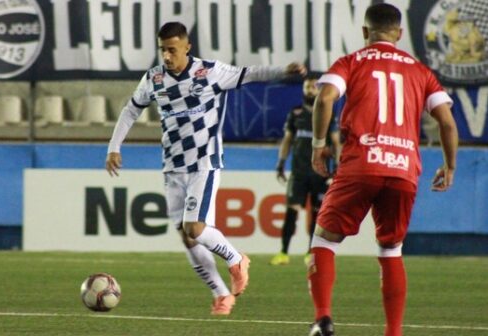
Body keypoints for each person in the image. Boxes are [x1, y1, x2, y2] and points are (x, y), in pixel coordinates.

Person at [105, 22, 306, 316]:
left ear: (187, 47)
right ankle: (221, 294)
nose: (167, 56)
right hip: (172, 166)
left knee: (195, 228)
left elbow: (250, 74)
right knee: (188, 238)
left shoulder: (209, 72)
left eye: (172, 50)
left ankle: (236, 259)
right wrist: (114, 146)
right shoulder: (155, 78)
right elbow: (131, 109)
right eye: (162, 50)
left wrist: (283, 71)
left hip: (204, 162)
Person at [307, 4, 458, 336]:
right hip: (404, 169)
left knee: (324, 240)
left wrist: (319, 144)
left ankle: (323, 319)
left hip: (362, 163)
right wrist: (449, 166)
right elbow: (447, 122)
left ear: (364, 32)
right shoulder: (421, 71)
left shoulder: (351, 62)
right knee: (391, 248)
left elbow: (326, 96)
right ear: (400, 34)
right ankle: (393, 332)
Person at [270, 76, 341, 266]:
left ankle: (311, 252)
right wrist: (281, 163)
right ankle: (283, 253)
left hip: (320, 173)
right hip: (299, 172)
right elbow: (287, 139)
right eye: (307, 87)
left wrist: (338, 166)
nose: (310, 90)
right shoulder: (296, 113)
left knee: (317, 214)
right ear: (303, 89)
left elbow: (335, 142)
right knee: (291, 211)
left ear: (318, 90)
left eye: (313, 87)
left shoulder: (327, 112)